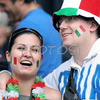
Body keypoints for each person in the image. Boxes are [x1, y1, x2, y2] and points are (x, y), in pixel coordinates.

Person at [2, 0, 100, 99]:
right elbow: (27, 84)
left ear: (92, 25)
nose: (61, 26)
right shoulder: (60, 73)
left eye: (71, 18)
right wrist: (4, 75)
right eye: (60, 21)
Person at [0, 0, 62, 78]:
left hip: (32, 88)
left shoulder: (27, 25)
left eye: (3, 5)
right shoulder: (49, 19)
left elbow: (16, 73)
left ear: (21, 1)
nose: (1, 10)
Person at [0, 28, 61, 100]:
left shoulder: (53, 97)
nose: (28, 54)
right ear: (8, 56)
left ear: (41, 60)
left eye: (35, 50)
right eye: (21, 48)